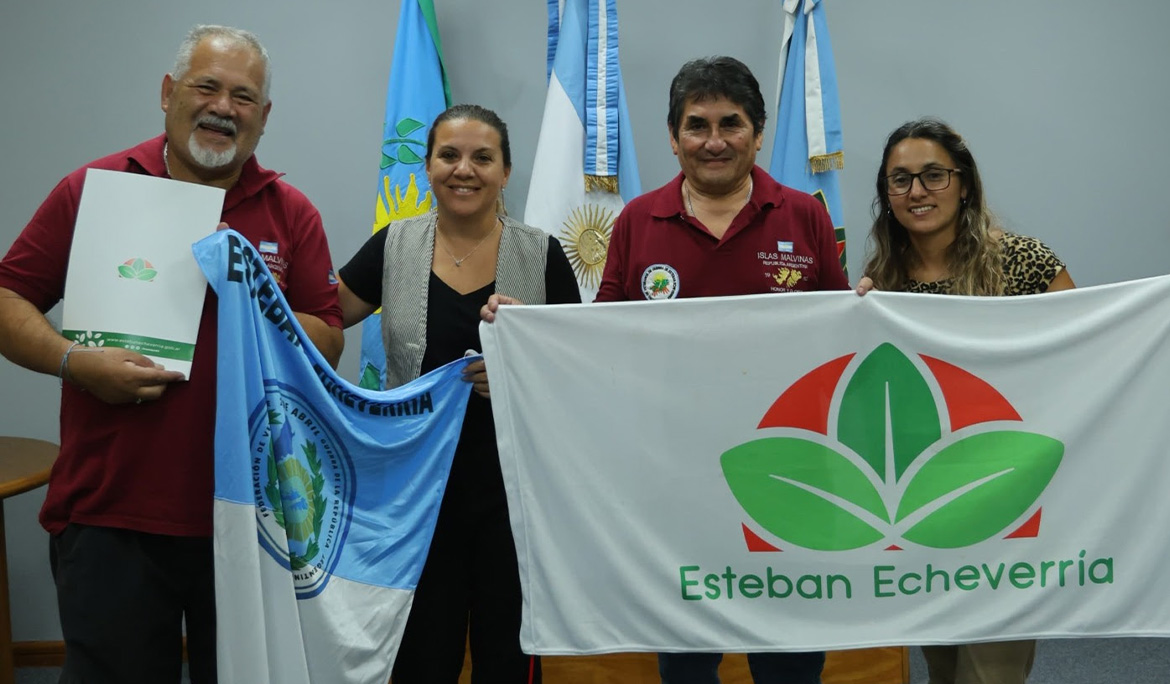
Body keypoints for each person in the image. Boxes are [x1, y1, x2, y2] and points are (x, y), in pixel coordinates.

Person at [484, 56, 846, 684]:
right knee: (685, 658)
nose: (714, 141)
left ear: (758, 133)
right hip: (675, 478)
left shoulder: (804, 216)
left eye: (730, 124)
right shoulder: (637, 221)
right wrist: (528, 334)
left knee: (788, 655)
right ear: (673, 136)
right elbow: (600, 343)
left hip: (787, 469)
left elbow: (842, 332)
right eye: (696, 125)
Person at [0, 25, 343, 683]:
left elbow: (326, 334)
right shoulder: (93, 187)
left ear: (263, 118)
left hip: (255, 520)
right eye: (207, 87)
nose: (224, 107)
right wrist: (73, 361)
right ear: (168, 93)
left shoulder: (290, 211)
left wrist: (254, 289)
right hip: (112, 514)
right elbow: (8, 297)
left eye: (244, 97)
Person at [337, 104, 580, 684]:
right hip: (416, 502)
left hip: (513, 501)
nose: (463, 169)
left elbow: (580, 373)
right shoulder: (392, 247)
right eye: (449, 155)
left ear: (506, 171)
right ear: (427, 166)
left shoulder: (542, 255)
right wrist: (248, 282)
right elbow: (317, 320)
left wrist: (523, 372)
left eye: (482, 157)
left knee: (507, 657)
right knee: (421, 655)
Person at [858, 117, 1074, 684]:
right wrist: (853, 315)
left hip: (1007, 493)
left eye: (933, 175)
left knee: (991, 671)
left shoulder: (1022, 262)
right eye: (899, 180)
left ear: (965, 183)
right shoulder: (881, 283)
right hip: (926, 505)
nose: (917, 191)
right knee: (943, 664)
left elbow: (1083, 354)